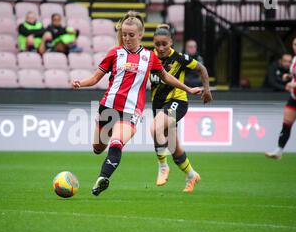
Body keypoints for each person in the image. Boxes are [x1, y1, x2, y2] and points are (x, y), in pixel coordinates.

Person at [71, 11, 202, 196]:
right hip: (107, 108)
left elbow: (166, 77)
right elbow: (95, 78)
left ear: (140, 35)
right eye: (124, 34)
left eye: (131, 35)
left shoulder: (149, 57)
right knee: (98, 148)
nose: (127, 38)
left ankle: (102, 178)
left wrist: (188, 89)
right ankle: (105, 168)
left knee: (117, 143)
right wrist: (80, 83)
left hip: (131, 112)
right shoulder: (114, 53)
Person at [150, 25, 212, 192]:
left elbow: (202, 69)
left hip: (177, 101)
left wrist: (207, 89)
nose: (161, 48)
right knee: (173, 146)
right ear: (153, 43)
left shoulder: (180, 58)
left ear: (171, 42)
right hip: (158, 105)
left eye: (165, 44)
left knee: (155, 128)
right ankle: (192, 175)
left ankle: (163, 167)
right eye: (157, 44)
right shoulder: (148, 58)